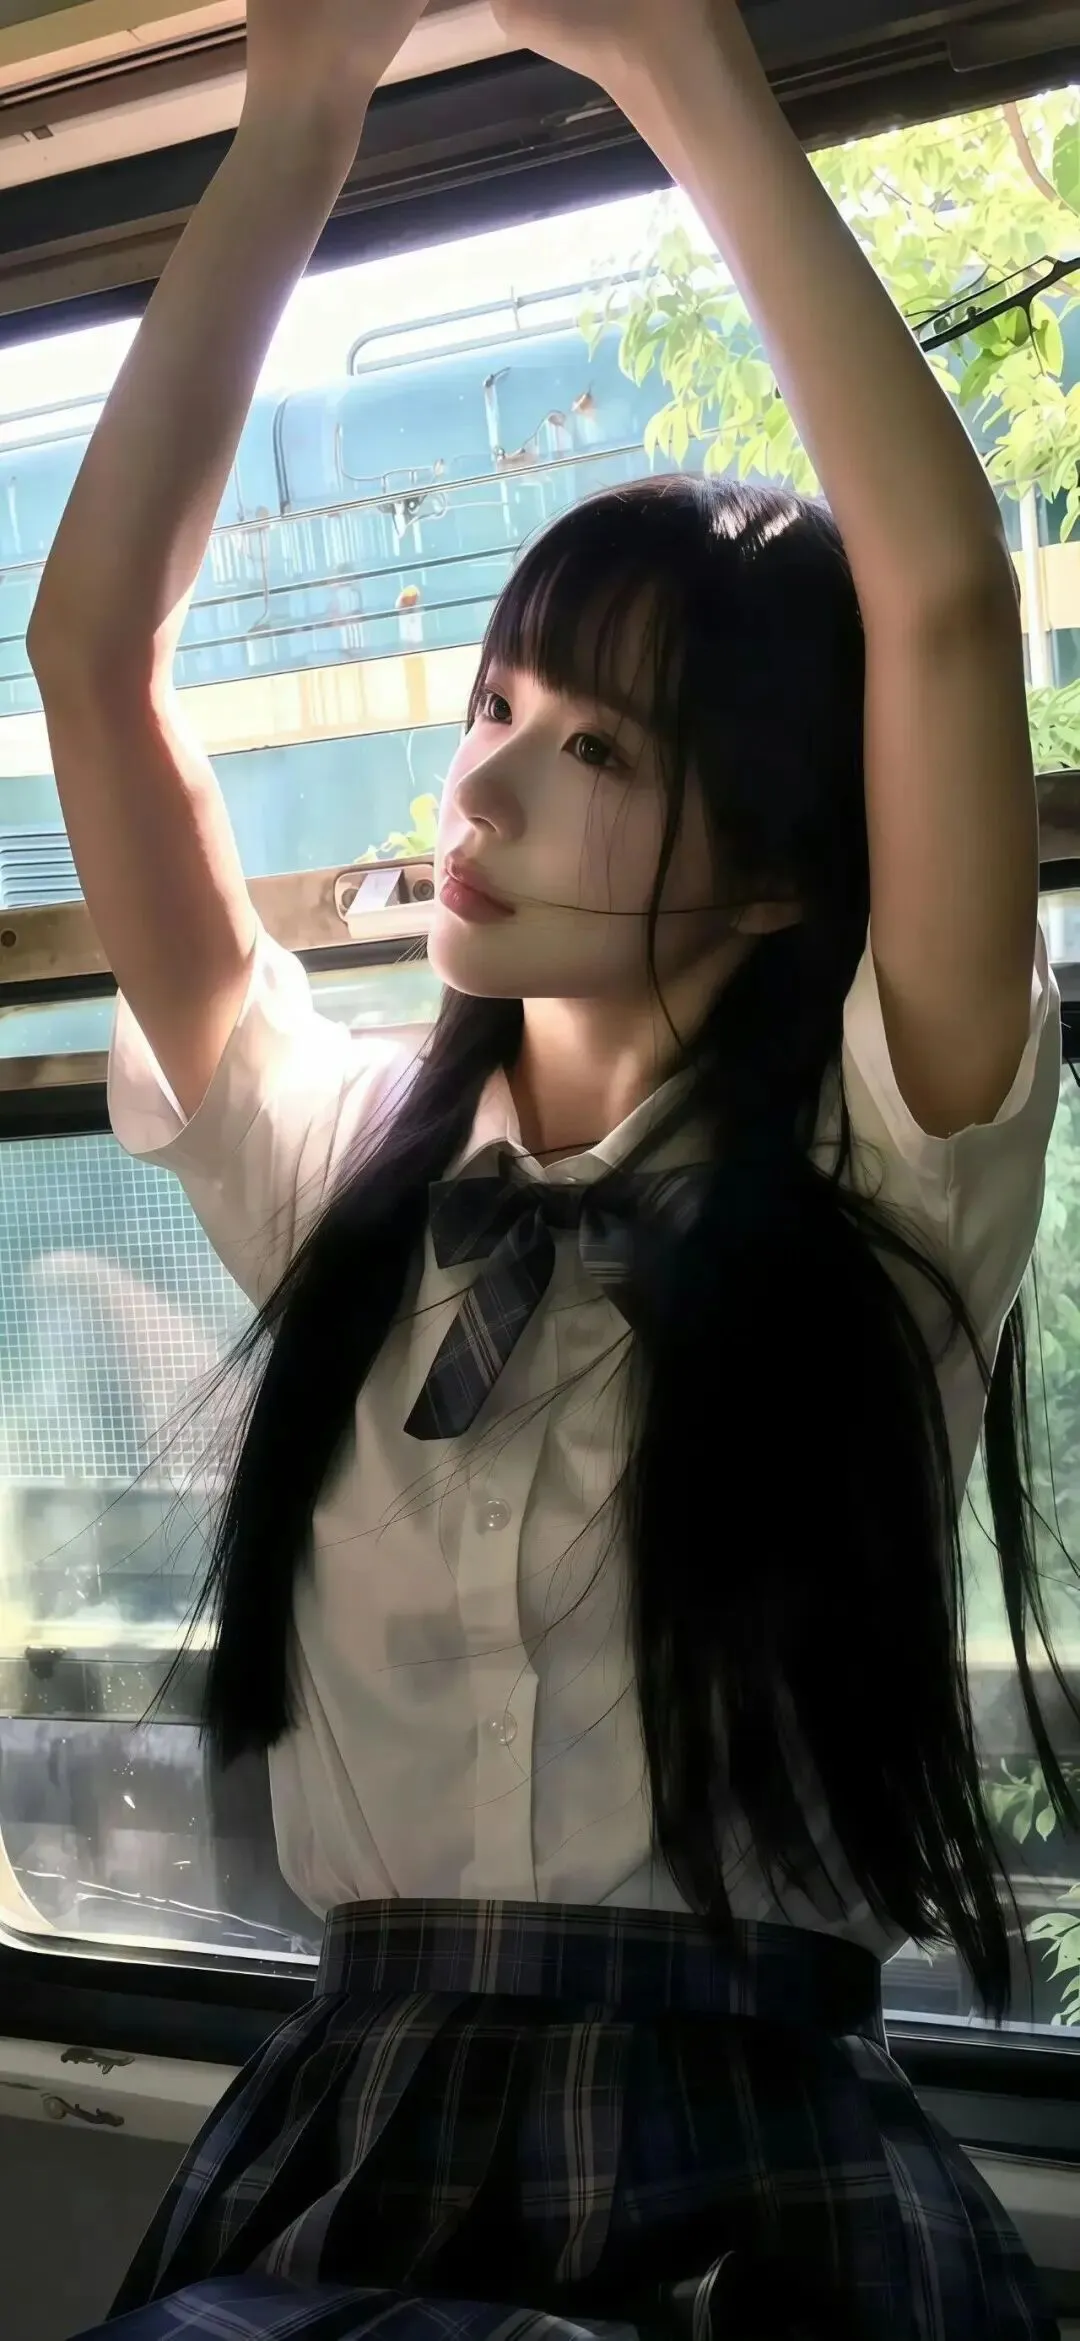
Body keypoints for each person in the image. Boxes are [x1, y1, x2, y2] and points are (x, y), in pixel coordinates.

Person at [28, 2, 1074, 2336]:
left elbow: (939, 603)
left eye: (598, 749)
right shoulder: (338, 1176)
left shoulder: (890, 1177)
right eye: (495, 707)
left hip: (762, 2172)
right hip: (355, 2141)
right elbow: (93, 655)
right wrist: (303, 110)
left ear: (785, 872)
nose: (482, 790)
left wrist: (681, 66)